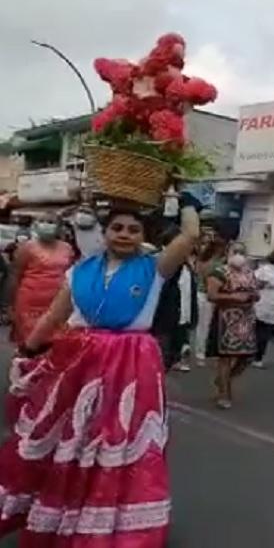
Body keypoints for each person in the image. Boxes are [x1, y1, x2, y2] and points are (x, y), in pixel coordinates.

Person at [0, 198, 200, 546]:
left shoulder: (155, 268)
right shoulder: (79, 271)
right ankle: (66, 514)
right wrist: (30, 348)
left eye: (133, 230)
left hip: (133, 366)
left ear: (143, 236)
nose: (124, 235)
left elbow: (190, 234)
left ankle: (115, 523)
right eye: (117, 228)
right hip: (80, 362)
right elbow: (54, 317)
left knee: (118, 442)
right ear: (104, 233)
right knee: (74, 437)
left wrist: (185, 199)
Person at [207, 241, 259, 410]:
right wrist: (234, 298)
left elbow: (255, 292)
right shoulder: (219, 272)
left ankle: (225, 379)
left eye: (242, 252)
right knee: (225, 357)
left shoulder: (249, 272)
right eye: (235, 251)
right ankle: (223, 393)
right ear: (228, 253)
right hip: (226, 318)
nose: (239, 255)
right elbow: (212, 295)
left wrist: (253, 295)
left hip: (246, 318)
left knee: (247, 356)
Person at [9, 212, 74, 345]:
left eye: (50, 222)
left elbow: (70, 275)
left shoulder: (67, 248)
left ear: (59, 227)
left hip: (57, 302)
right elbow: (15, 274)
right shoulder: (27, 247)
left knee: (54, 340)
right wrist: (10, 305)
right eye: (42, 221)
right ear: (35, 225)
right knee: (30, 341)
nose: (46, 225)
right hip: (29, 302)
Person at [151, 226, 199, 373]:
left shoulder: (186, 264)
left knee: (170, 359)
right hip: (162, 320)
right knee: (159, 362)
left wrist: (192, 316)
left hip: (181, 320)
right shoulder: (157, 260)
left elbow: (188, 292)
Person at [194, 236, 226, 366]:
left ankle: (199, 349)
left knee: (200, 324)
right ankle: (201, 352)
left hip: (199, 292)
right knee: (205, 324)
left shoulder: (202, 260)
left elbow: (197, 274)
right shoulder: (216, 263)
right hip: (208, 294)